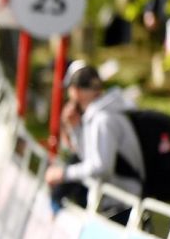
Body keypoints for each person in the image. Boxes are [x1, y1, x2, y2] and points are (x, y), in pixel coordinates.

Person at [46, 60, 144, 222]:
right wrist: (76, 129)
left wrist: (64, 174)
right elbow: (89, 156)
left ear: (76, 91)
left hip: (121, 206)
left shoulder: (102, 119)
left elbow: (101, 167)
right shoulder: (98, 114)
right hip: (116, 203)